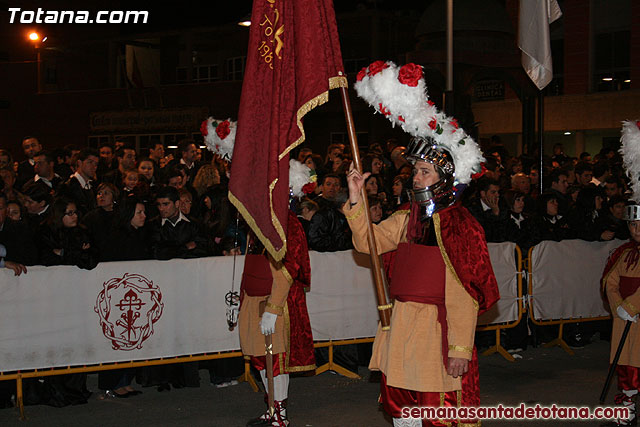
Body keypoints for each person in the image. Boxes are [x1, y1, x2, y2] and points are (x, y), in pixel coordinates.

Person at [343, 140, 499, 427]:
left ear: (444, 178)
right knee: (401, 406)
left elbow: (464, 294)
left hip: (435, 330)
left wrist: (459, 349)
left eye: (425, 171)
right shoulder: (406, 216)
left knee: (434, 410)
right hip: (401, 323)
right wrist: (356, 199)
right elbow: (369, 242)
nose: (416, 177)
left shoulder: (459, 224)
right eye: (415, 170)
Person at [240, 209, 315, 427]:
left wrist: (273, 309)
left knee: (276, 360)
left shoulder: (286, 221)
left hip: (277, 299)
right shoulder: (255, 218)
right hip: (255, 299)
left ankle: (280, 414)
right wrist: (242, 297)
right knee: (260, 357)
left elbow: (289, 266)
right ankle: (272, 407)